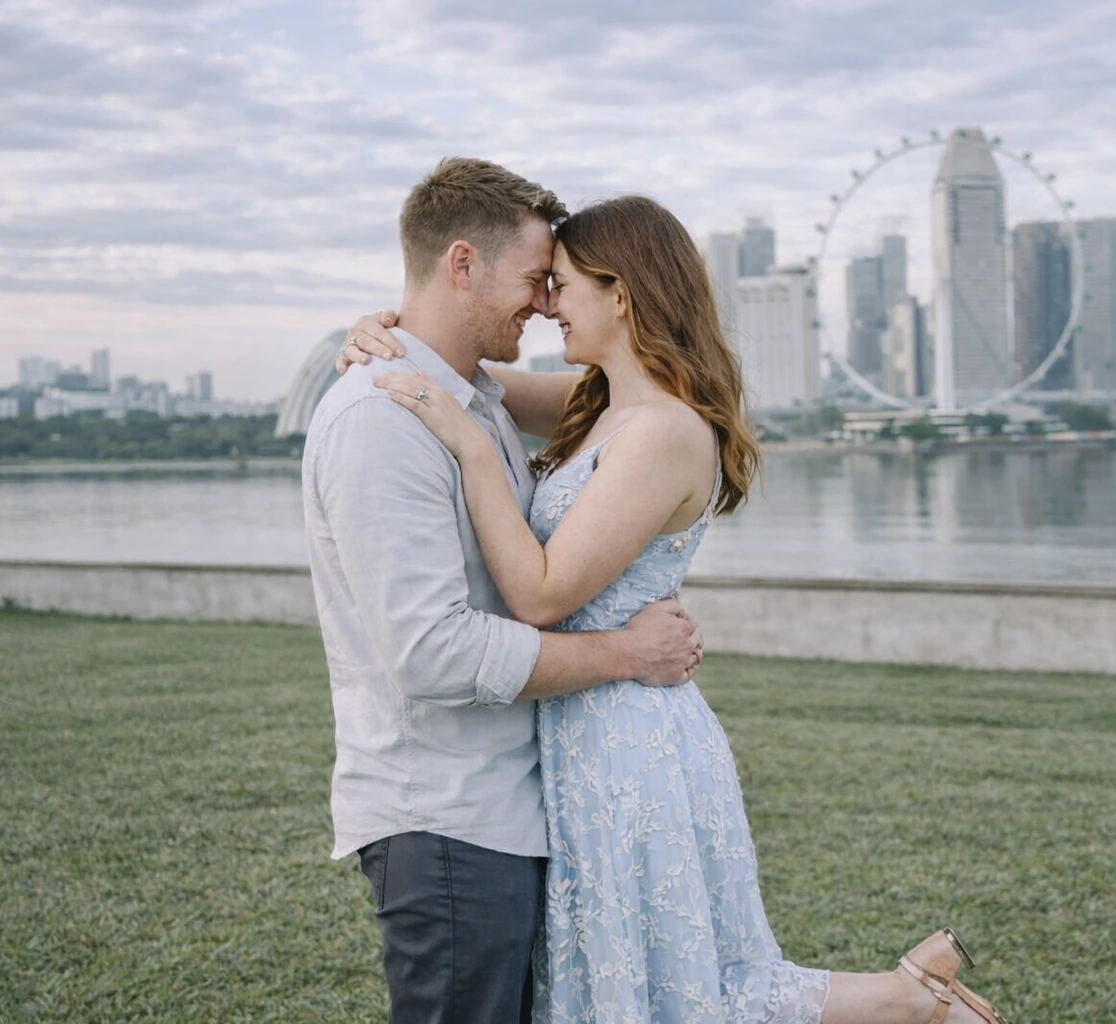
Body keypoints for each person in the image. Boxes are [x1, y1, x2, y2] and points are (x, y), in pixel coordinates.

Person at [343, 191, 1008, 1023]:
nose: (548, 305)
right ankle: (907, 993)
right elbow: (464, 375)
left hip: (629, 744)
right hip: (576, 738)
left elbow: (540, 593)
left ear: (619, 294)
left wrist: (474, 451)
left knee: (683, 987)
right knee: (620, 980)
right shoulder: (596, 404)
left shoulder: (662, 432)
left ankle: (907, 1004)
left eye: (563, 284)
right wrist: (382, 331)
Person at [303, 158, 705, 1024]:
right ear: (461, 264)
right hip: (445, 817)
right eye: (534, 279)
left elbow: (631, 409)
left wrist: (387, 328)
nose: (545, 301)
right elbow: (432, 650)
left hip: (513, 807)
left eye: (558, 284)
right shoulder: (384, 418)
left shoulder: (474, 398)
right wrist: (626, 654)